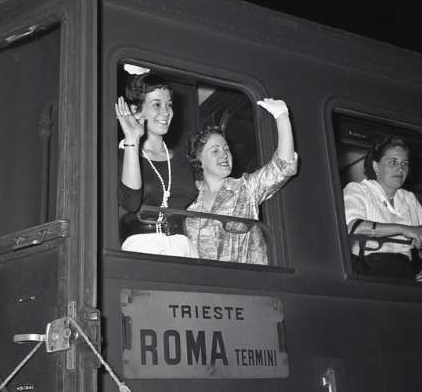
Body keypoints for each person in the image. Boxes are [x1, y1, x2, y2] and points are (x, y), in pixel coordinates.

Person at [185, 98, 297, 265]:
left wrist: (282, 116)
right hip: (212, 281)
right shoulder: (191, 213)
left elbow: (284, 166)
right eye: (215, 151)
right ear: (199, 160)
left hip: (251, 280)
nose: (224, 155)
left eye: (226, 149)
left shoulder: (245, 188)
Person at [115, 72, 198, 257]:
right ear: (136, 111)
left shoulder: (183, 160)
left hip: (184, 248)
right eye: (156, 104)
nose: (166, 112)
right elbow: (131, 202)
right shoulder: (124, 156)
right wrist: (132, 138)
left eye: (169, 104)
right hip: (144, 248)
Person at [343, 135, 422, 279]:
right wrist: (403, 229)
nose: (400, 168)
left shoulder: (409, 198)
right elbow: (354, 227)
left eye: (404, 163)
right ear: (376, 166)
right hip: (368, 271)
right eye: (393, 162)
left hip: (405, 272)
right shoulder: (358, 190)